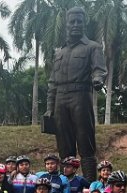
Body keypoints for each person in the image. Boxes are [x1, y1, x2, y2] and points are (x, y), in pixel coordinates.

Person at [44, 6, 107, 181]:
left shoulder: (93, 47)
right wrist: (50, 107)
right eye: (72, 21)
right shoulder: (59, 52)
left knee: (85, 143)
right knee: (64, 145)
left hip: (81, 96)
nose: (76, 25)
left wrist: (98, 79)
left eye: (80, 21)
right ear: (66, 24)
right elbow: (52, 82)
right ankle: (67, 184)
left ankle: (90, 186)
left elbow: (99, 70)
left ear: (84, 24)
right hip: (60, 99)